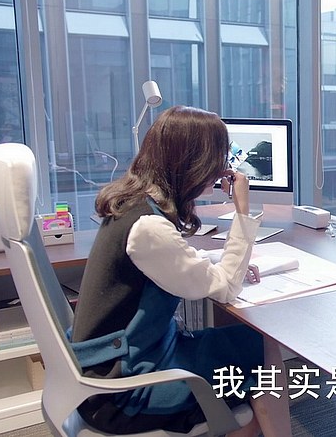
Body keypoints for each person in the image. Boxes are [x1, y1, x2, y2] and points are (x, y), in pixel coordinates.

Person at [69, 105, 290, 436]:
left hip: (121, 361)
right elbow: (226, 288)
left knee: (254, 345)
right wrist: (242, 210)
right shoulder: (149, 228)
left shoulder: (133, 204)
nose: (224, 168)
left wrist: (225, 262)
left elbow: (177, 261)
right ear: (195, 164)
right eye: (218, 158)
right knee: (261, 351)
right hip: (124, 389)